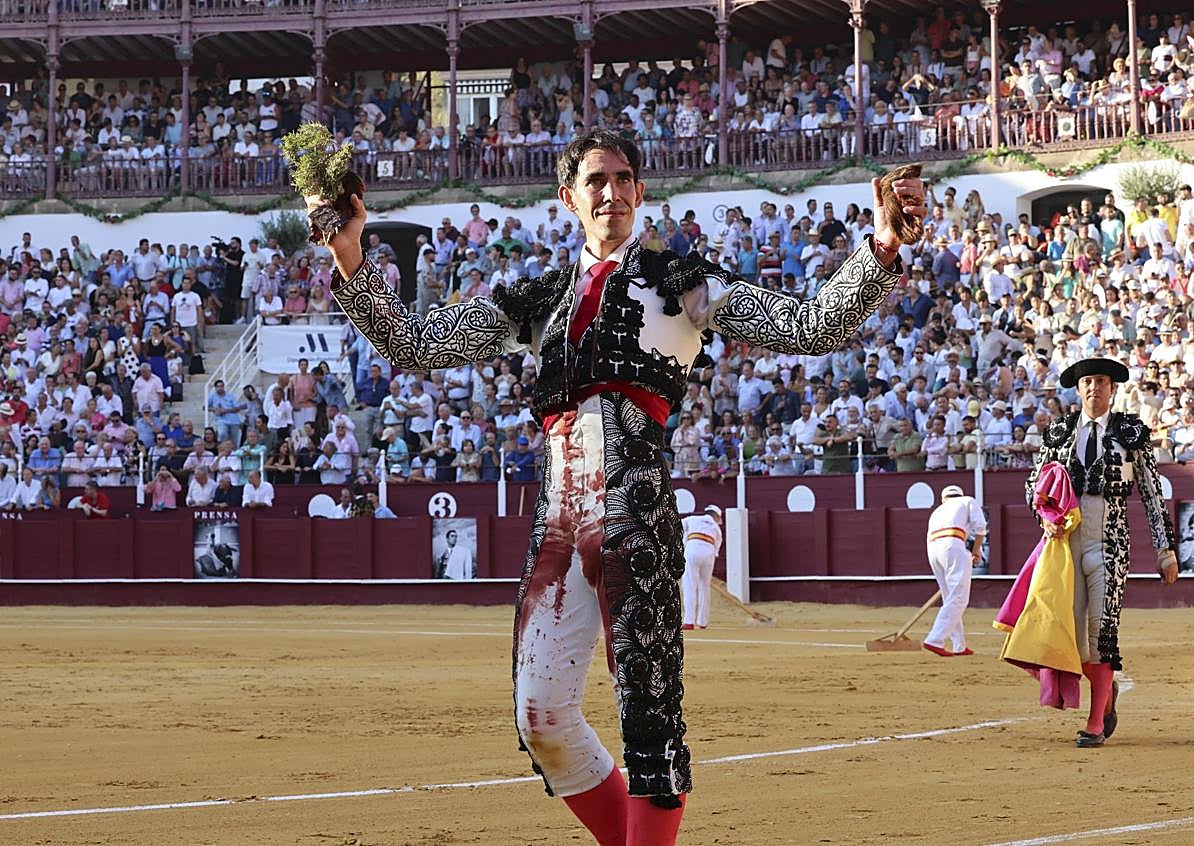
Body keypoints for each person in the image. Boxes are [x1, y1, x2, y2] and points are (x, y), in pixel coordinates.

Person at [318, 128, 922, 842]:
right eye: (596, 181)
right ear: (567, 197)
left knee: (650, 718)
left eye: (624, 179)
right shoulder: (538, 298)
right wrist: (349, 251)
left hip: (635, 513)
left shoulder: (683, 282)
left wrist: (880, 248)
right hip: (556, 522)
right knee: (539, 715)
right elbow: (415, 345)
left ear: (641, 192)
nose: (612, 192)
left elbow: (809, 325)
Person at [1028, 357, 1179, 748]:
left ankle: (1095, 722)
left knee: (1102, 632)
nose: (1094, 387)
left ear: (1112, 389)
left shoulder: (1132, 434)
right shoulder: (1058, 434)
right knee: (1072, 636)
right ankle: (1105, 695)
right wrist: (1044, 518)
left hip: (1110, 543)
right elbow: (1035, 488)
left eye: (1101, 381)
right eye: (1087, 382)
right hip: (1066, 546)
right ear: (1078, 390)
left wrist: (1165, 551)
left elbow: (1151, 494)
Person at [922, 484, 986, 657]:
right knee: (958, 598)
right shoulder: (967, 501)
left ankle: (959, 645)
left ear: (944, 499)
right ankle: (935, 639)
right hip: (954, 545)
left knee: (950, 597)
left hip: (933, 551)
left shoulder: (937, 511)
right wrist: (975, 551)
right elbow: (980, 527)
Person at [679, 504, 724, 630]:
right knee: (705, 587)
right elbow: (716, 550)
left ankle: (689, 621)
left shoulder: (692, 519)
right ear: (716, 516)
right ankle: (703, 621)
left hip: (692, 549)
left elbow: (677, 526)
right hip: (708, 553)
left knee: (689, 585)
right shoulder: (716, 528)